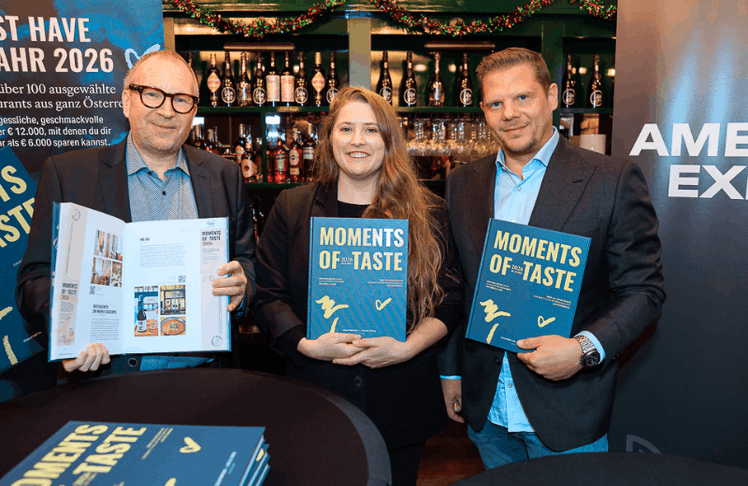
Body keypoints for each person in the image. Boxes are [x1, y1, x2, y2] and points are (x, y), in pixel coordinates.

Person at [439, 48, 665, 467]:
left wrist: (582, 350)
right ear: (483, 110)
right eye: (495, 103)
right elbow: (460, 286)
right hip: (486, 407)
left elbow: (643, 291)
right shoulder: (462, 182)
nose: (509, 114)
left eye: (522, 97)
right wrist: (451, 371)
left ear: (552, 96)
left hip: (566, 410)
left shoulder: (611, 180)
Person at [251, 86, 462, 485]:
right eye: (346, 128)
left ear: (389, 140)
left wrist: (409, 346)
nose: (357, 140)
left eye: (371, 129)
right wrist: (304, 343)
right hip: (317, 395)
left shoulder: (429, 210)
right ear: (330, 138)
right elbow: (268, 294)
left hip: (400, 396)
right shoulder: (292, 207)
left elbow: (450, 298)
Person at [16, 50, 255, 378]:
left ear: (194, 111)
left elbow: (246, 262)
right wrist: (69, 331)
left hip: (208, 377)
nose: (167, 111)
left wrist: (242, 289)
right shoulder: (69, 174)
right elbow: (34, 278)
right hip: (107, 380)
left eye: (181, 99)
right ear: (127, 101)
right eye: (152, 95)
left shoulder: (224, 175)